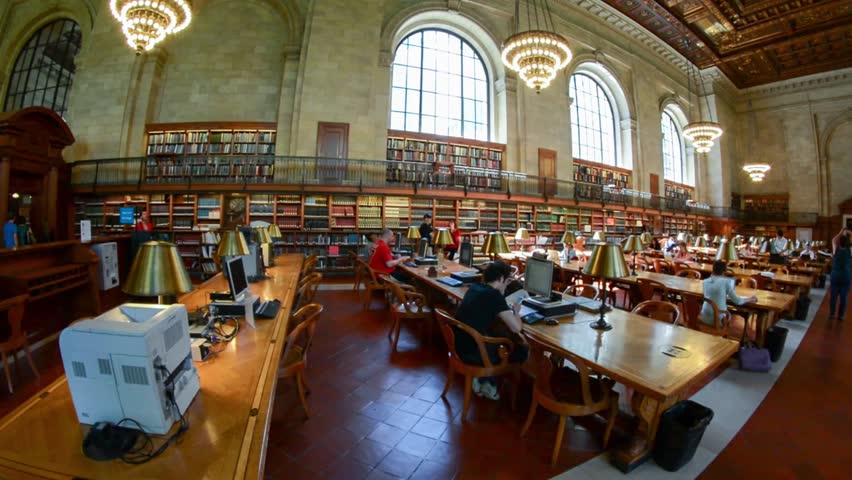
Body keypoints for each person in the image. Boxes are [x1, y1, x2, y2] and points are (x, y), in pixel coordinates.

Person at [454, 261, 529, 400]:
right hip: (474, 352)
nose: (506, 286)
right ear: (501, 279)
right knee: (521, 349)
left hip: (460, 345)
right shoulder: (494, 296)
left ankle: (486, 380)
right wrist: (516, 312)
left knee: (499, 333)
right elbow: (516, 327)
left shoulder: (475, 287)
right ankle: (486, 379)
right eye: (507, 282)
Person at [700, 260, 757, 327]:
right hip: (718, 320)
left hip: (704, 317)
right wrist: (750, 299)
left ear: (713, 269)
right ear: (724, 272)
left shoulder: (705, 281)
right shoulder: (725, 282)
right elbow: (738, 301)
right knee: (729, 315)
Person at [829, 229, 851, 321]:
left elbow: (833, 240)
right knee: (844, 296)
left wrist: (841, 232)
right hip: (846, 274)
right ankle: (841, 315)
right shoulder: (850, 250)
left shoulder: (836, 249)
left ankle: (832, 314)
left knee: (833, 295)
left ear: (840, 242)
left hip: (835, 274)